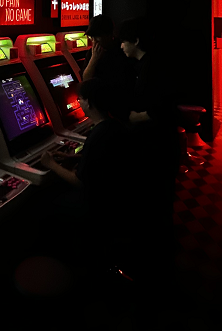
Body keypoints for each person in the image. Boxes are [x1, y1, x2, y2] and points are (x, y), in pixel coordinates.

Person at [40, 78, 137, 274]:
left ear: (90, 103)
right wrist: (70, 156)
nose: (78, 102)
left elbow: (80, 182)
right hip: (120, 200)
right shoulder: (112, 126)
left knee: (49, 208)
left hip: (102, 206)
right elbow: (100, 158)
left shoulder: (99, 134)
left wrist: (50, 164)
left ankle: (69, 263)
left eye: (80, 98)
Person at [118, 17, 180, 285]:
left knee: (154, 207)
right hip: (159, 146)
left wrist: (135, 117)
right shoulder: (145, 64)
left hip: (158, 148)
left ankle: (154, 272)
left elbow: (163, 107)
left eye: (124, 40)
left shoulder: (153, 66)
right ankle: (159, 264)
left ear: (136, 41)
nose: (120, 46)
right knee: (157, 207)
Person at [81, 14, 135, 121]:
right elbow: (86, 79)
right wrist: (94, 59)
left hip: (122, 107)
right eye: (92, 37)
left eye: (97, 36)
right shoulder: (91, 53)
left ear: (109, 34)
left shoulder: (123, 50)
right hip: (101, 109)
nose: (94, 41)